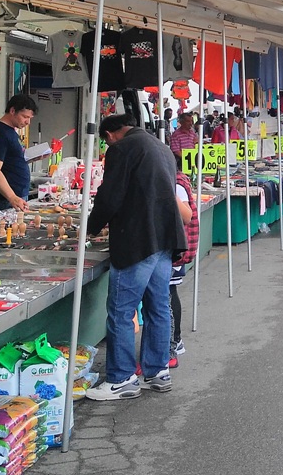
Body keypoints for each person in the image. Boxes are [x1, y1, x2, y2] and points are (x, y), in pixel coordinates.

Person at [85, 114, 187, 400]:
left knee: (121, 310)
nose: (107, 145)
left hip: (138, 239)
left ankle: (121, 379)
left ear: (111, 134)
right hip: (165, 238)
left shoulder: (121, 149)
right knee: (158, 307)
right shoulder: (161, 147)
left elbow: (110, 196)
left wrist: (91, 227)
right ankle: (157, 371)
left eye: (106, 141)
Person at [169, 153, 198, 368]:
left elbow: (185, 215)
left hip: (176, 248)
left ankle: (174, 340)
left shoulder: (176, 185)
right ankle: (174, 340)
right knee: (169, 294)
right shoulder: (179, 181)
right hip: (178, 246)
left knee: (168, 295)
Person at [0, 94, 38, 212]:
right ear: (12, 110)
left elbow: (12, 160)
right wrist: (12, 197)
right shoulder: (0, 133)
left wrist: (33, 157)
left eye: (30, 118)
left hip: (17, 197)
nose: (28, 122)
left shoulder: (11, 132)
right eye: (25, 117)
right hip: (5, 200)